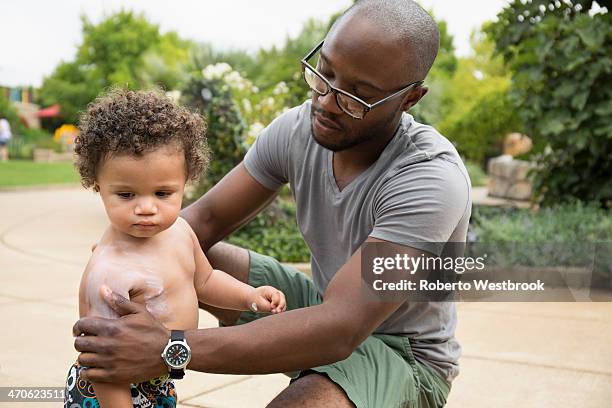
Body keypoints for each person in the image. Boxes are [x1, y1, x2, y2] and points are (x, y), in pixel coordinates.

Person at [72, 1, 472, 407]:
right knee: (183, 246)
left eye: (358, 97)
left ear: (410, 99)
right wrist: (121, 260)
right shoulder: (301, 128)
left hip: (401, 353)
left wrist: (171, 347)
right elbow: (203, 219)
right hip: (322, 306)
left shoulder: (430, 178)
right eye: (325, 74)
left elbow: (342, 327)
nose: (328, 102)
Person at [65, 89, 286, 408]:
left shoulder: (180, 231)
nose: (146, 207)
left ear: (186, 183)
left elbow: (205, 282)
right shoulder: (109, 273)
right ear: (98, 187)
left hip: (157, 376)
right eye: (126, 195)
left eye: (162, 193)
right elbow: (101, 364)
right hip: (111, 392)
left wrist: (248, 296)